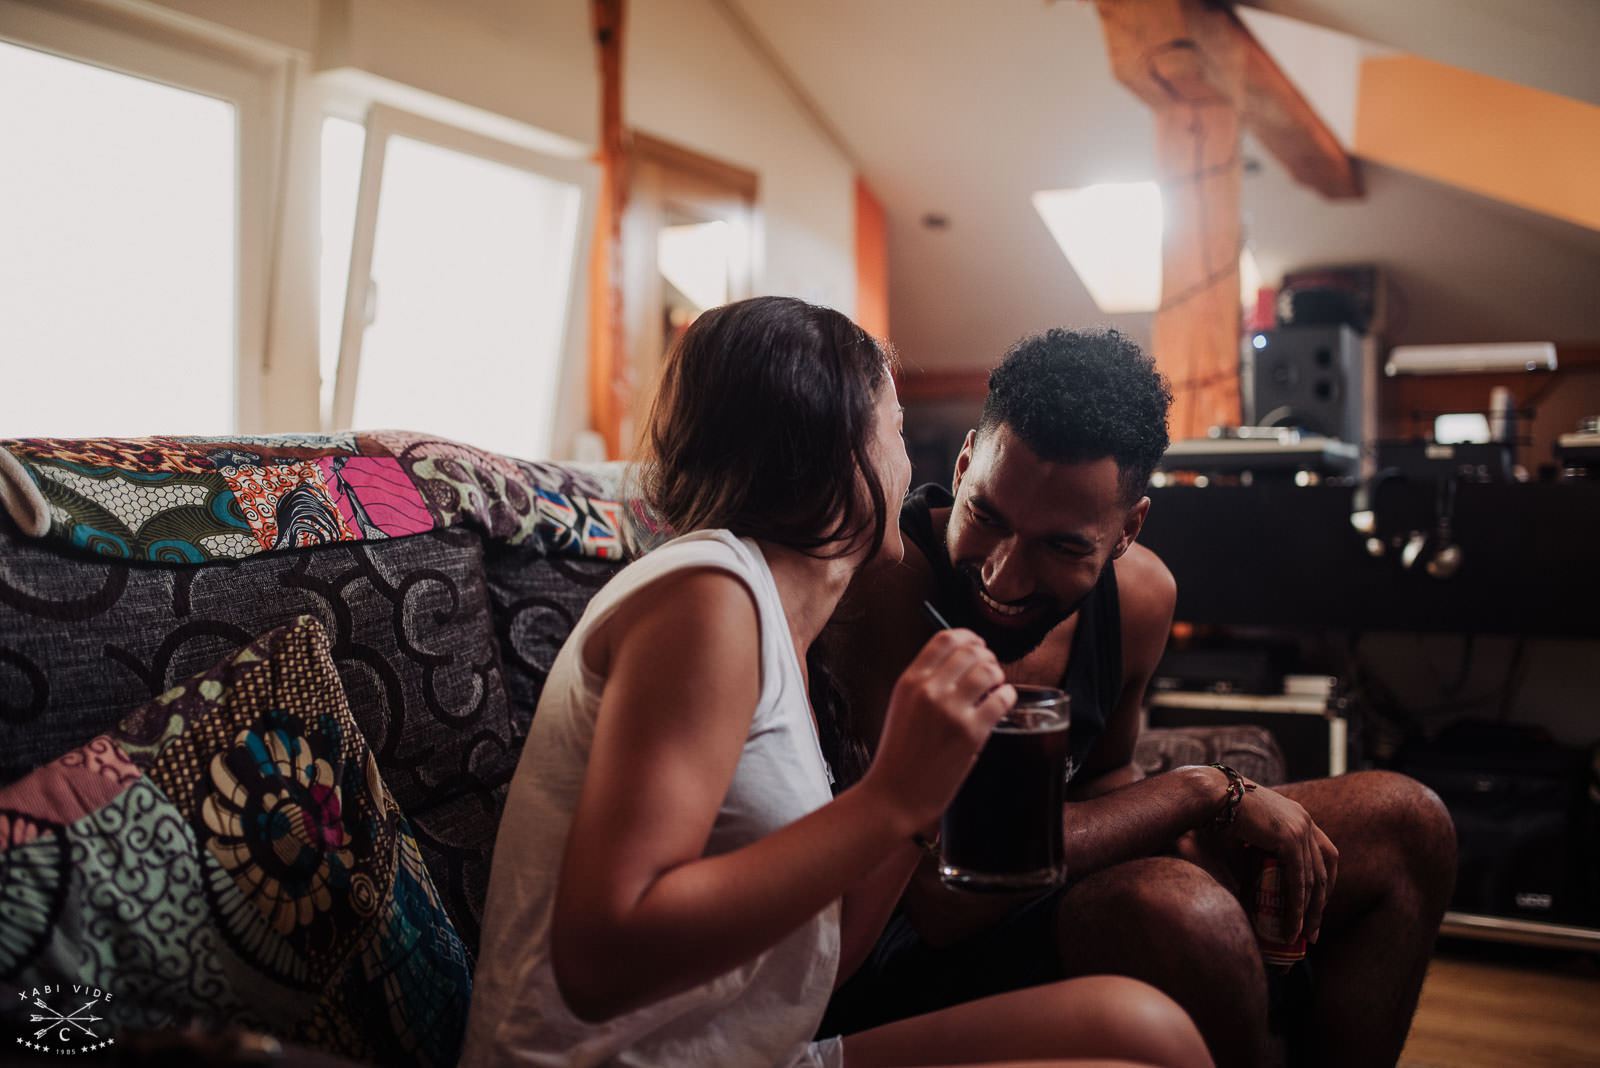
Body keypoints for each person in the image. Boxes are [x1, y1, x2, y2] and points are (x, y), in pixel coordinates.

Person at [459, 298, 1214, 1068]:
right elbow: (600, 963)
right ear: (834, 452)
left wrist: (919, 805)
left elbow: (826, 964)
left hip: (761, 1052)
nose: (910, 467)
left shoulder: (789, 637)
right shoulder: (707, 595)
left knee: (1145, 1030)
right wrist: (892, 796)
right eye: (893, 431)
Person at [818, 327, 1459, 1068]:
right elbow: (941, 897)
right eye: (987, 516)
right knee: (1184, 913)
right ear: (964, 466)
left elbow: (1104, 781)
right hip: (916, 939)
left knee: (1410, 822)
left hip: (1055, 886)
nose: (1004, 577)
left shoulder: (1144, 597)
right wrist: (1202, 794)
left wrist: (1212, 849)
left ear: (1128, 529)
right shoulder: (884, 587)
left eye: (1062, 546)